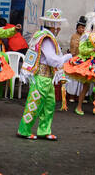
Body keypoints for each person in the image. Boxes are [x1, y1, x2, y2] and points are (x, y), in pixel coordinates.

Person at [17, 8, 70, 140]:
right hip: (41, 77)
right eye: (58, 25)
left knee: (49, 105)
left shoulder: (42, 36)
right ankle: (24, 130)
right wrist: (67, 57)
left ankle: (44, 130)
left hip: (47, 78)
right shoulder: (46, 39)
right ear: (54, 26)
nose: (59, 28)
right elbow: (53, 60)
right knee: (34, 104)